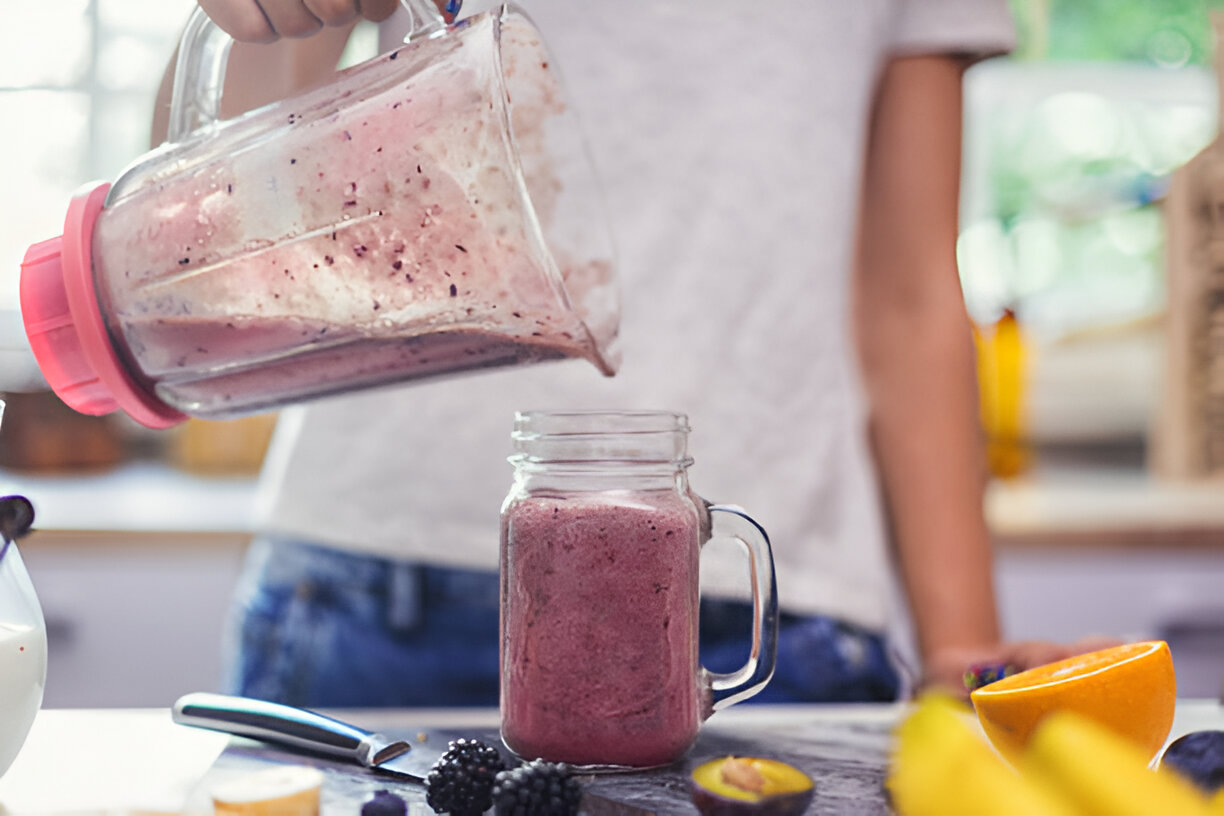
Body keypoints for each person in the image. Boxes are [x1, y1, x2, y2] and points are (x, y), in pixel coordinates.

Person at [163, 0, 1110, 708]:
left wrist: (968, 652)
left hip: (764, 618)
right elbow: (217, 186)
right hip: (379, 586)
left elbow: (907, 298)